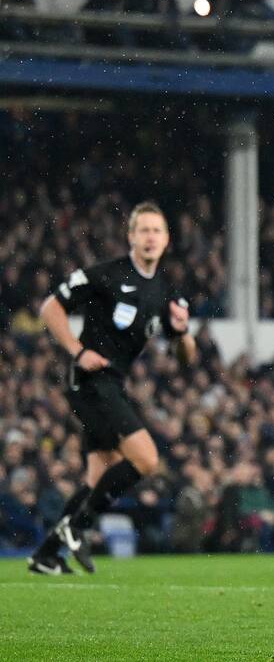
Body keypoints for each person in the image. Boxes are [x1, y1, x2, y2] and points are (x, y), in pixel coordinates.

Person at [27, 202, 197, 575]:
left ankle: (46, 554)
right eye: (144, 230)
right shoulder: (106, 275)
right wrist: (77, 349)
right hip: (89, 380)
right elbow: (49, 307)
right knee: (146, 459)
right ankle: (79, 527)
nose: (150, 237)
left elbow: (186, 358)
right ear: (131, 237)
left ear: (167, 240)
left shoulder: (164, 293)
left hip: (112, 383)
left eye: (157, 231)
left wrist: (183, 332)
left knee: (98, 477)